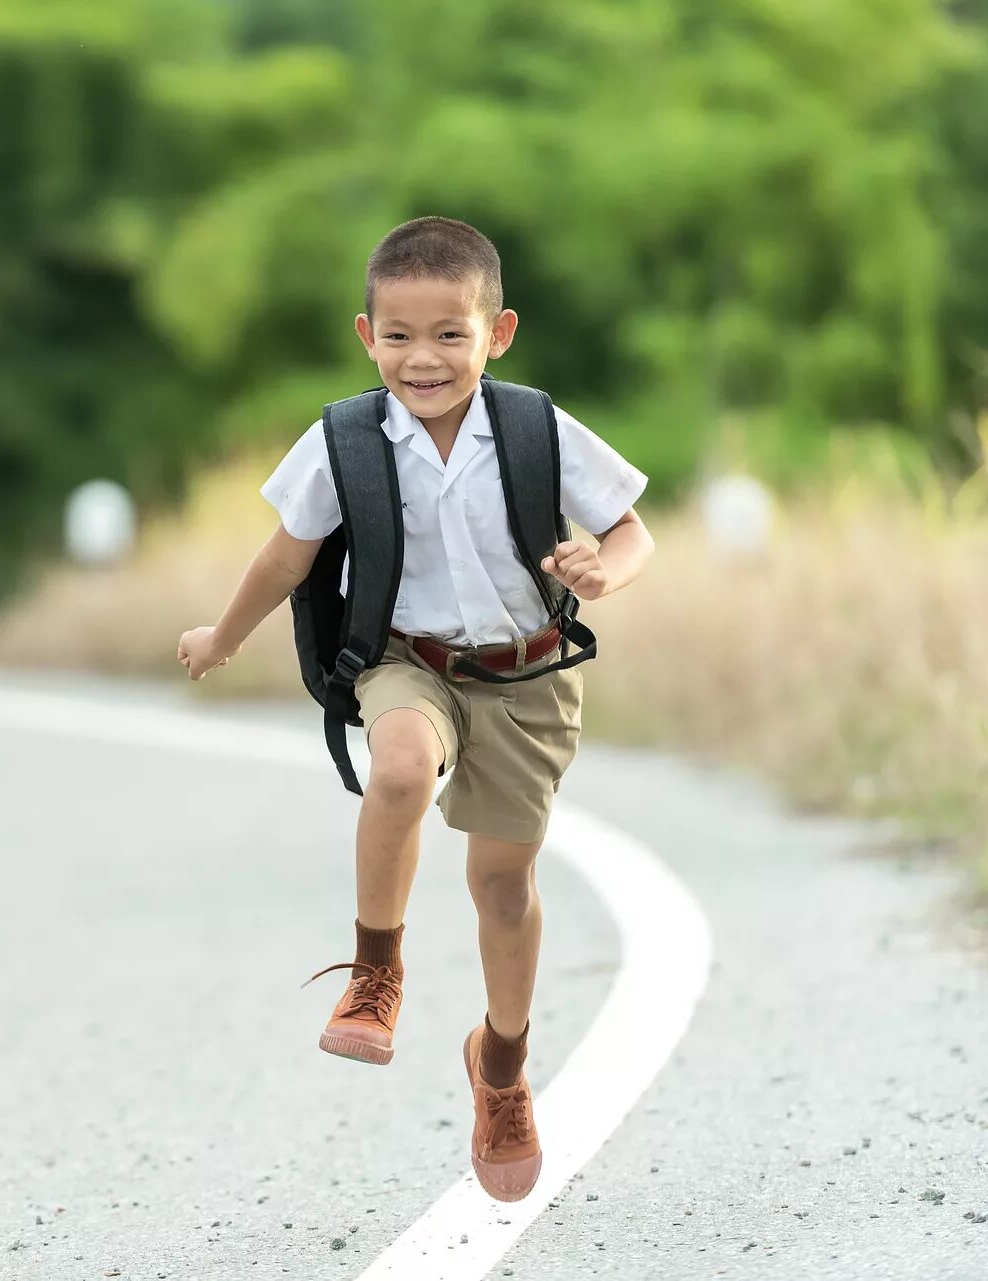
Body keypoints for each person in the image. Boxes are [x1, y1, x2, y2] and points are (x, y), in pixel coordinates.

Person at [175, 216, 655, 1202]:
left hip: (526, 678)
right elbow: (288, 554)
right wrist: (223, 633)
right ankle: (376, 975)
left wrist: (605, 569)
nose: (423, 358)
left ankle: (502, 1064)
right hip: (408, 662)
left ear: (498, 332)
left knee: (501, 888)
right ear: (366, 336)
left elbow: (629, 528)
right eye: (399, 336)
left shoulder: (534, 430)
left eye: (449, 334)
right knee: (396, 770)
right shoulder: (345, 441)